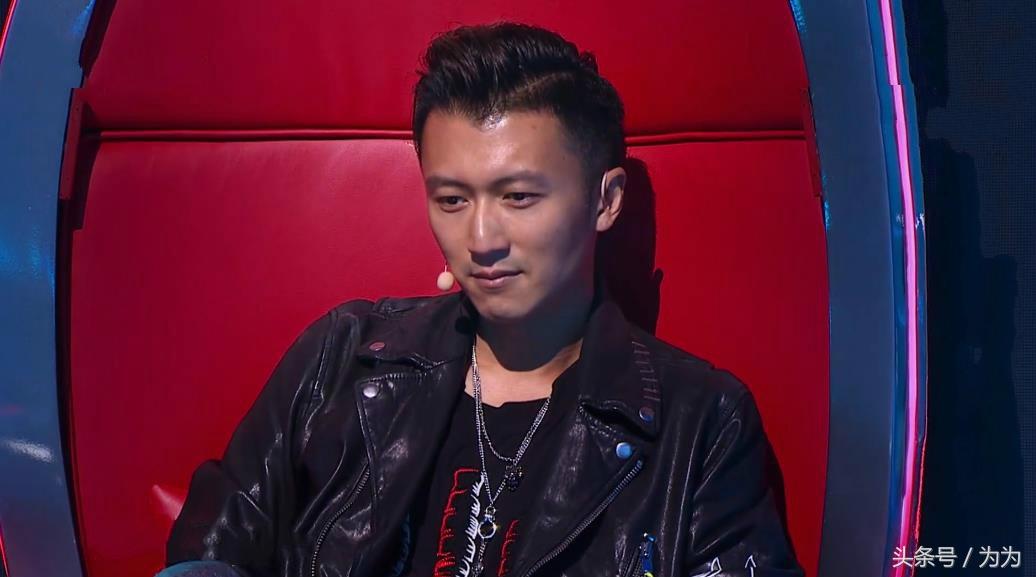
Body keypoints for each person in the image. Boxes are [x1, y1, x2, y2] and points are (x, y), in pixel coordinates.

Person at [160, 22, 804, 577]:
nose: (481, 239)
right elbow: (215, 547)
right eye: (451, 199)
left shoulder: (701, 422)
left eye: (518, 197)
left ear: (605, 201)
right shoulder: (344, 356)